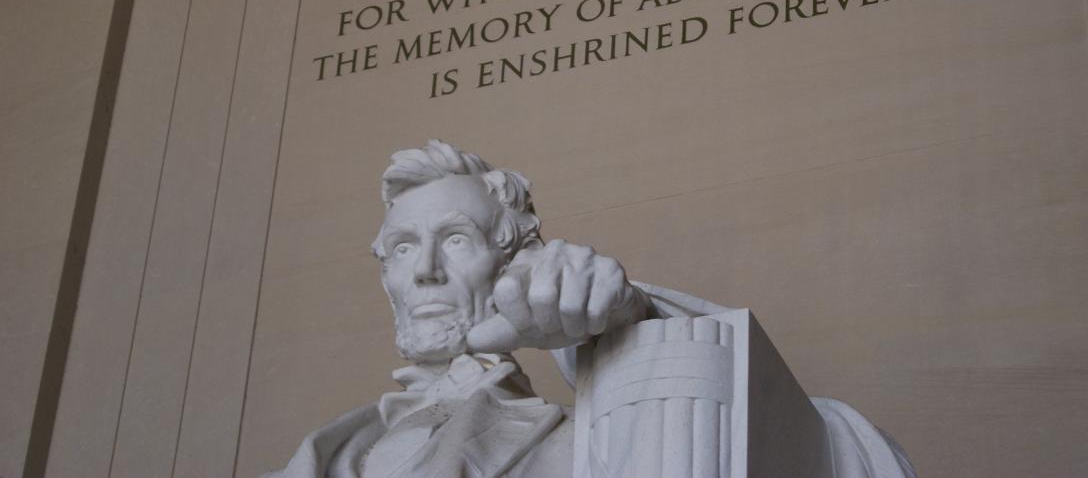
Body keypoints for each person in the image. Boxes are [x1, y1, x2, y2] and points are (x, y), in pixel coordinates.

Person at [264, 140, 915, 478]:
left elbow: (795, 450)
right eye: (403, 246)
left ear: (517, 254)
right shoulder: (330, 455)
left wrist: (630, 325)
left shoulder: (589, 447)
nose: (425, 268)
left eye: (455, 239)